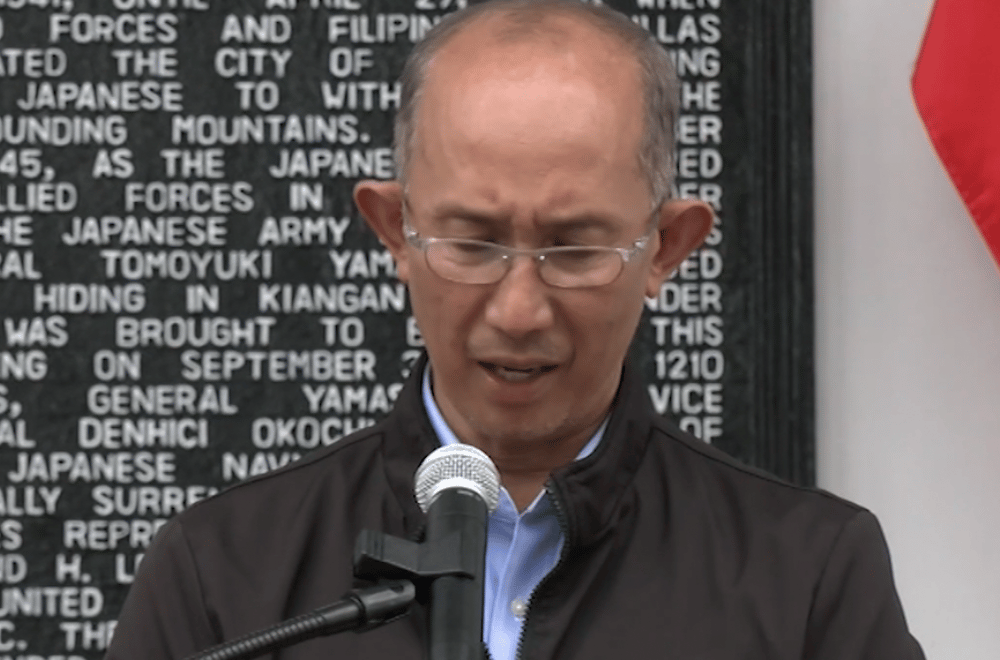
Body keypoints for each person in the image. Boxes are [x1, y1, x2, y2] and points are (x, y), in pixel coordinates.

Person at [106, 1, 925, 658]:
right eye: (471, 244)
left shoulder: (810, 580)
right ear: (394, 233)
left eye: (575, 249)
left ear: (666, 248)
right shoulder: (220, 577)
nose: (519, 310)